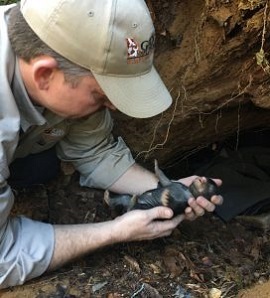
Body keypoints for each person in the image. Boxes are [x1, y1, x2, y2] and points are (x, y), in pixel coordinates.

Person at [0, 0, 223, 289]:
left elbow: (94, 150)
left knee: (40, 167)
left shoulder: (56, 63)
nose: (114, 107)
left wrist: (166, 191)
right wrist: (113, 232)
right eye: (101, 95)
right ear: (45, 75)